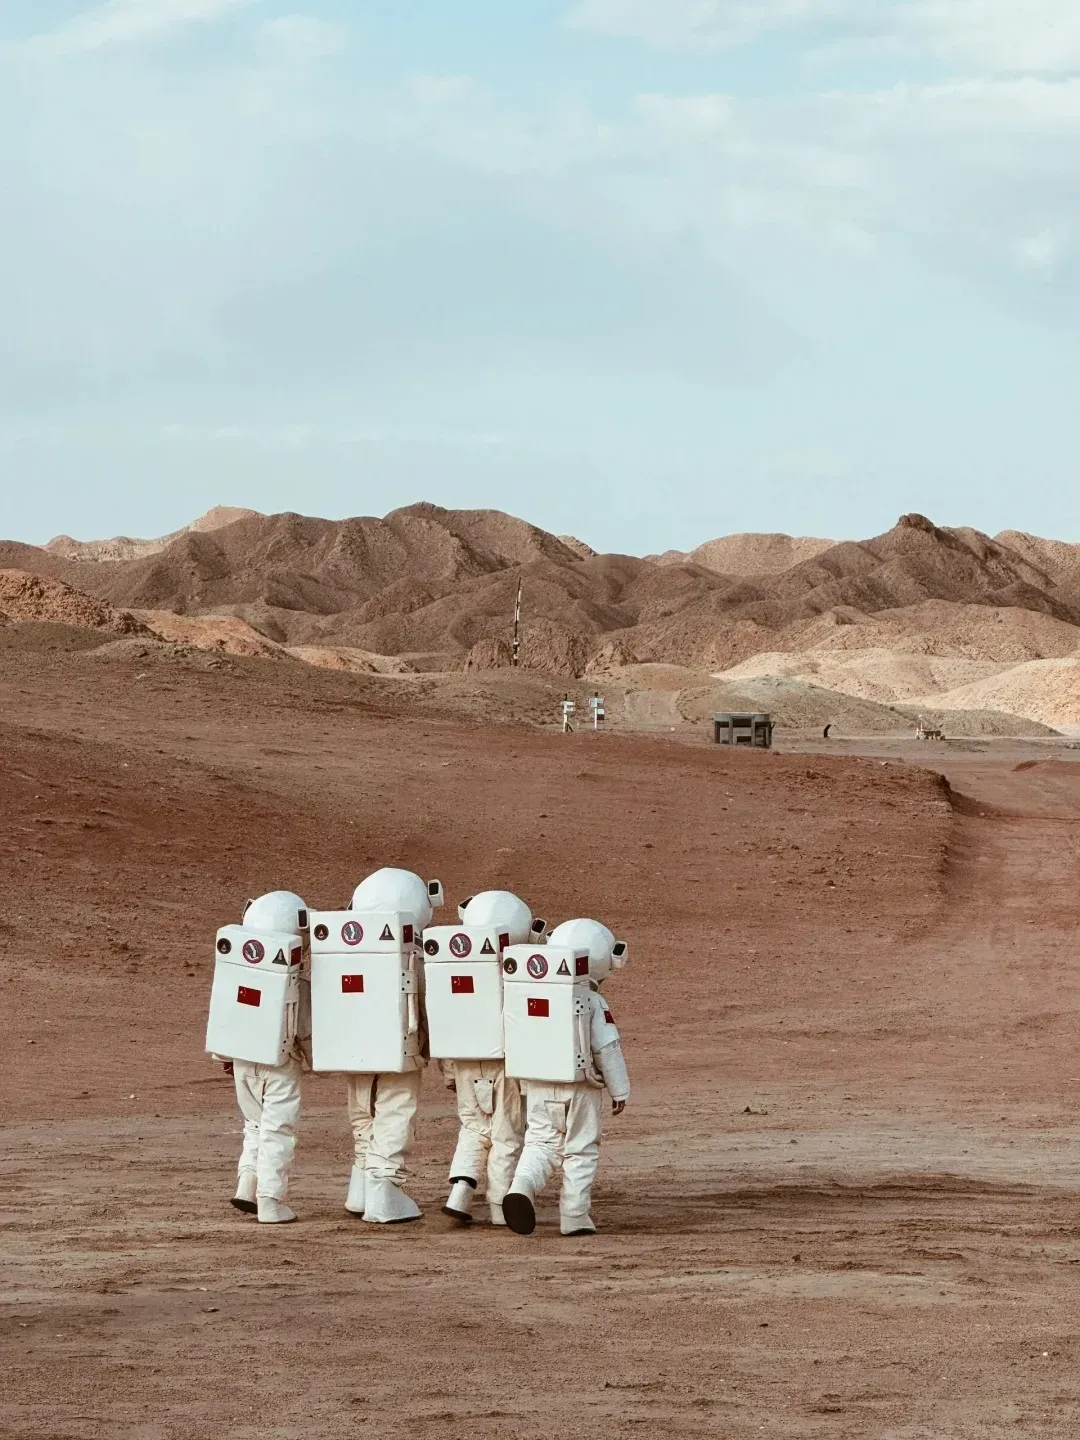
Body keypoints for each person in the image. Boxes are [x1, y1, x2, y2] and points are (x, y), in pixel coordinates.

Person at [503, 918, 629, 1237]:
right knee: (580, 1149)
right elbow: (607, 1047)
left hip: (536, 1083)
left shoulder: (524, 993)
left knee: (539, 1144)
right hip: (580, 1089)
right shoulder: (593, 1000)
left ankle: (521, 1187)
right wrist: (620, 1090)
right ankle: (574, 1215)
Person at [343, 867, 441, 1224]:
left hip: (352, 1044)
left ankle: (361, 1184)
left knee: (362, 1109)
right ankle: (384, 1186)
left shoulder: (342, 950)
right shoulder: (415, 955)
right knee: (394, 1109)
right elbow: (432, 1007)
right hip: (402, 1046)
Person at [441, 891, 535, 1227]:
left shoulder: (449, 969)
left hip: (465, 1061)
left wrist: (449, 1071)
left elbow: (445, 1021)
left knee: (472, 1128)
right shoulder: (521, 972)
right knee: (505, 1134)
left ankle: (460, 1192)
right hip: (506, 1065)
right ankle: (499, 1205)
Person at [222, 890, 311, 1225]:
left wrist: (225, 1055)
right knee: (277, 1130)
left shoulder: (234, 974)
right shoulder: (297, 985)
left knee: (254, 1124)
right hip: (280, 1064)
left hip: (243, 1061)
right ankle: (270, 1200)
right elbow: (305, 1031)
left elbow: (223, 1019)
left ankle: (247, 1185)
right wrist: (318, 1060)